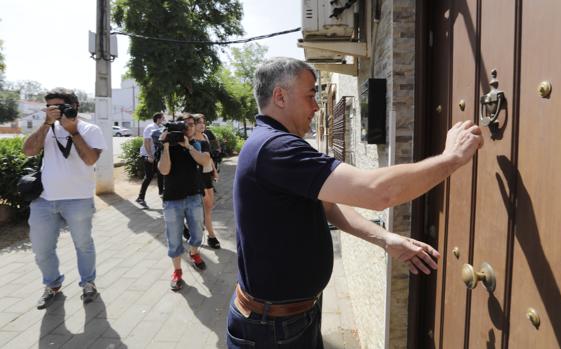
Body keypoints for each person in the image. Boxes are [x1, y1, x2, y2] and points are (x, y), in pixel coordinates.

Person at [227, 57, 484, 348]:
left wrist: (385, 238)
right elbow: (377, 192)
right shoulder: (276, 148)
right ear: (280, 96)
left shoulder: (275, 145)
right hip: (272, 329)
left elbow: (328, 205)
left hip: (288, 319)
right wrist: (452, 159)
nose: (316, 107)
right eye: (311, 95)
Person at [22, 88, 107, 309]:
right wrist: (47, 123)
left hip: (78, 199)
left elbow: (90, 160)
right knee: (42, 249)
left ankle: (88, 283)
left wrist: (73, 132)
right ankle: (52, 285)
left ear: (74, 106)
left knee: (83, 244)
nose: (54, 111)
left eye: (58, 107)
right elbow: (28, 150)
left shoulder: (90, 129)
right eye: (49, 107)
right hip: (44, 199)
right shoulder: (48, 128)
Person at [158, 113, 211, 291]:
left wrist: (188, 147)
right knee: (174, 237)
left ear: (195, 126)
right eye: (184, 125)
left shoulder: (198, 143)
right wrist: (165, 147)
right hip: (172, 199)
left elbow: (205, 161)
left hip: (193, 196)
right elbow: (164, 171)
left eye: (190, 124)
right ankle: (177, 271)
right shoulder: (168, 145)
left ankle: (194, 252)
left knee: (197, 234)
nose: (187, 127)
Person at [193, 114, 221, 249]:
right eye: (199, 123)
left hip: (207, 174)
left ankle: (192, 226)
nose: (202, 125)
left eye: (203, 122)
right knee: (207, 203)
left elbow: (209, 158)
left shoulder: (205, 137)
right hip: (197, 175)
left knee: (210, 205)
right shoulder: (190, 139)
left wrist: (214, 171)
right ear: (193, 124)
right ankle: (211, 236)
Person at [136, 112, 164, 208]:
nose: (164, 119)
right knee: (149, 176)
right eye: (162, 118)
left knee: (161, 173)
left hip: (155, 155)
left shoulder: (160, 128)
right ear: (158, 119)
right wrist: (149, 155)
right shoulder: (150, 127)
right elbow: (146, 141)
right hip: (147, 155)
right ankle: (140, 198)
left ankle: (162, 193)